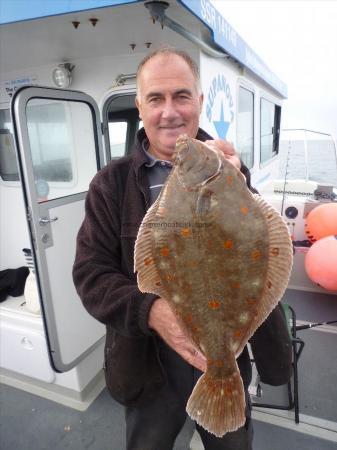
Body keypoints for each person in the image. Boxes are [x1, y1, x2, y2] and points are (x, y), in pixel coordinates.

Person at [73, 48, 292, 450]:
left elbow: (262, 247)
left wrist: (237, 182)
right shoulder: (110, 185)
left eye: (182, 96)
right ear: (140, 107)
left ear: (200, 100)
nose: (170, 111)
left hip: (226, 351)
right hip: (148, 364)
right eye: (156, 99)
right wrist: (152, 312)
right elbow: (90, 275)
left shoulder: (231, 171)